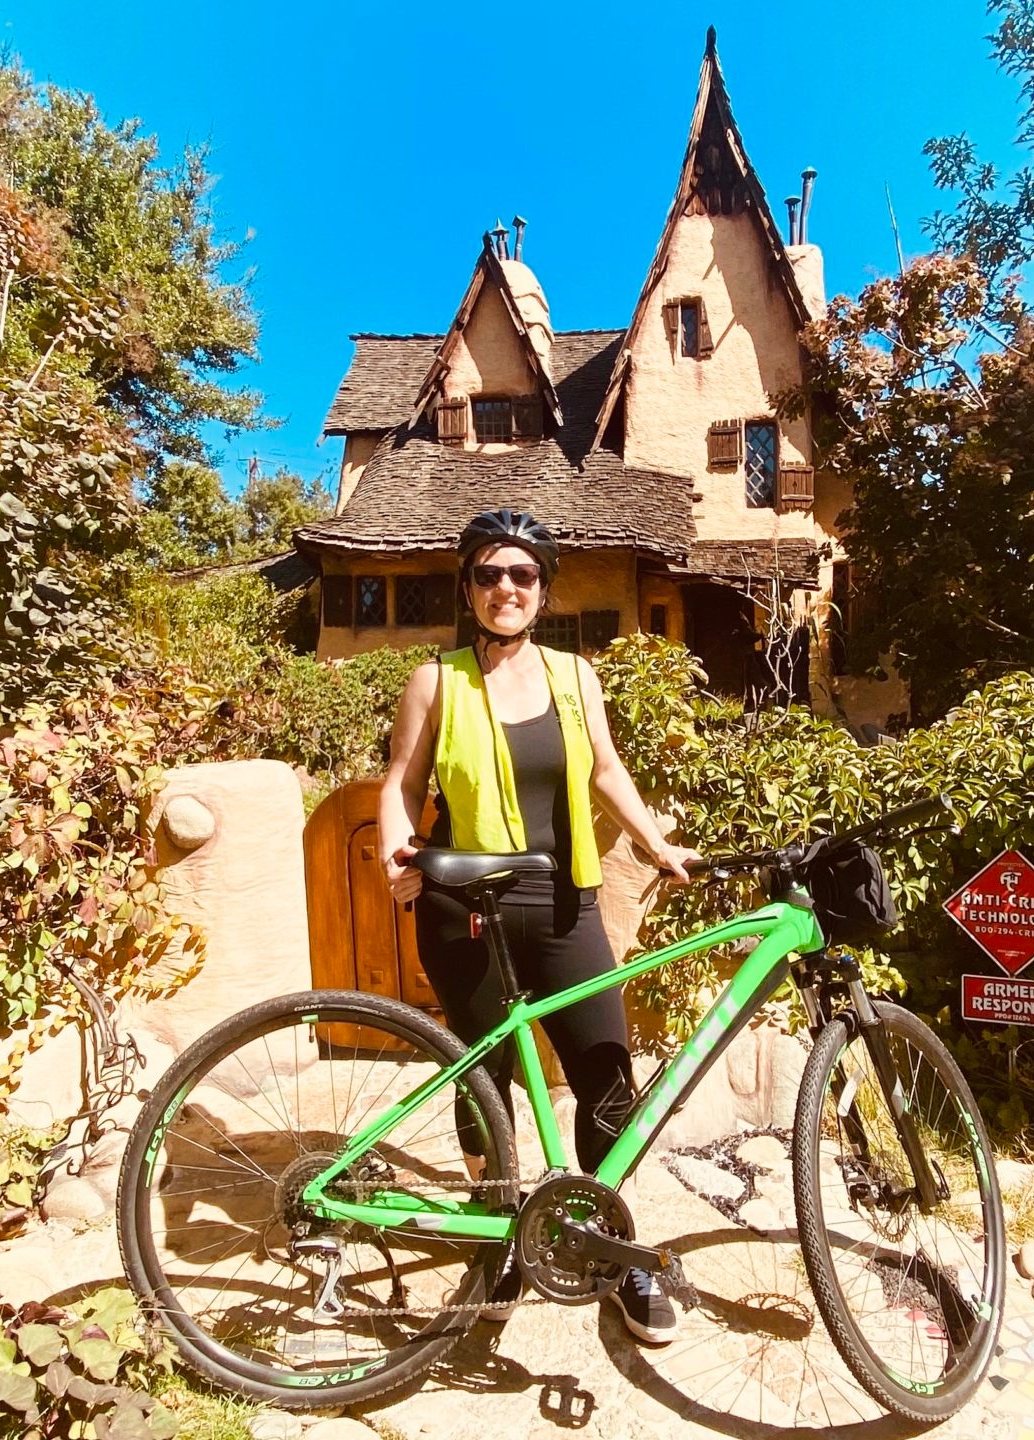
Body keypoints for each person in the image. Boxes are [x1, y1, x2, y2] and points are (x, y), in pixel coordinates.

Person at [377, 508, 703, 1346]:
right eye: (488, 574)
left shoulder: (574, 676)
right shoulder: (435, 681)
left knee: (604, 1069)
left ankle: (620, 1247)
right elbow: (400, 783)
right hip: (463, 908)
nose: (505, 589)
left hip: (562, 903)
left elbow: (604, 769)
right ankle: (502, 1237)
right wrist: (395, 849)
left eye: (520, 575)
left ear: (542, 590)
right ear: (468, 588)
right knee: (482, 1081)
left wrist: (656, 843)